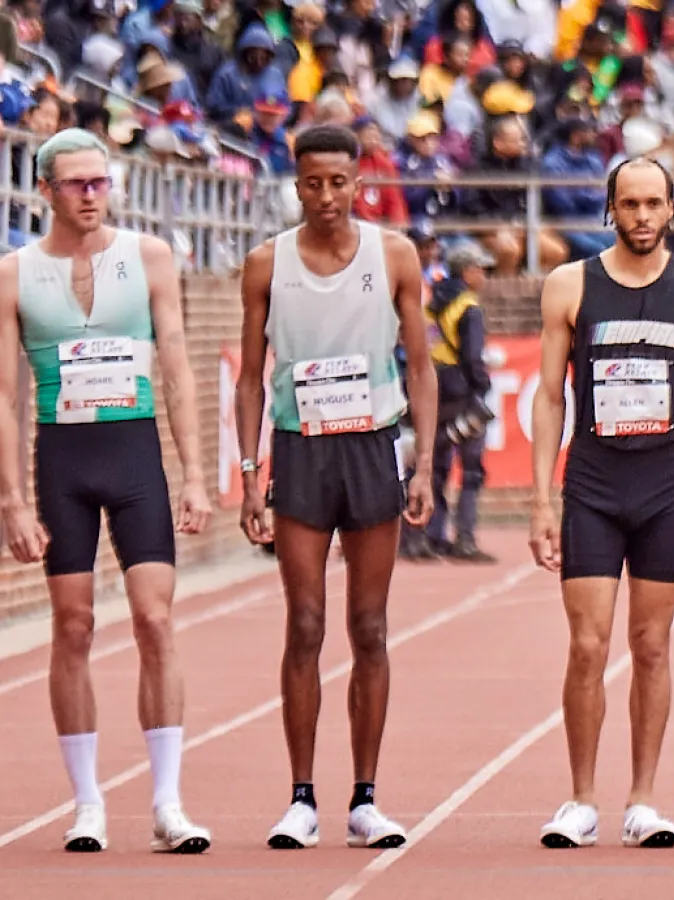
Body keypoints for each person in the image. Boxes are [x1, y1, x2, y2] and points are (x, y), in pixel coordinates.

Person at [0, 128, 213, 854]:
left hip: (135, 455)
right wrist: (14, 502)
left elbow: (179, 370)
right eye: (76, 185)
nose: (91, 196)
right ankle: (88, 802)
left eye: (100, 183)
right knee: (73, 627)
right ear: (46, 191)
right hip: (63, 458)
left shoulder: (150, 258)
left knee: (155, 620)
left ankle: (167, 802)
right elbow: (4, 395)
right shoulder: (14, 274)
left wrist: (195, 477)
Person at [234, 124, 437, 851]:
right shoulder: (267, 263)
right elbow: (250, 378)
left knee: (371, 627)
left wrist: (423, 464)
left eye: (339, 182)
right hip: (300, 449)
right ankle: (300, 799)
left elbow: (420, 366)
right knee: (307, 624)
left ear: (360, 182)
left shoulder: (394, 255)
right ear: (296, 185)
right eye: (312, 183)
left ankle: (365, 798)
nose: (326, 196)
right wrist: (250, 474)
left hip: (372, 446)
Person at [529, 156, 674, 849]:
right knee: (587, 647)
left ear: (673, 207)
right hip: (590, 481)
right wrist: (538, 498)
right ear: (610, 210)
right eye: (630, 204)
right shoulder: (569, 286)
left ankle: (642, 800)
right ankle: (580, 800)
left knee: (651, 644)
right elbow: (549, 395)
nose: (642, 216)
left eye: (654, 203)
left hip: (664, 486)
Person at [417, 239, 496, 563]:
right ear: (468, 271)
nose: (485, 276)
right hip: (463, 393)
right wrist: (482, 386)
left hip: (435, 388)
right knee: (472, 468)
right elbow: (472, 356)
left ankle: (429, 535)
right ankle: (464, 537)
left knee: (436, 467)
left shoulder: (432, 301)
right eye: (481, 269)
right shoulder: (468, 306)